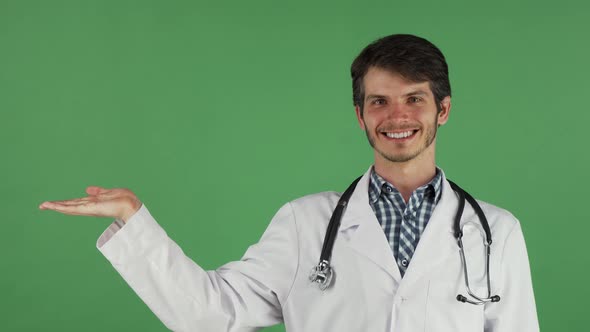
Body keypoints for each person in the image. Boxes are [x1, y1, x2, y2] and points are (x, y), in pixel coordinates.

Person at [39, 33, 539, 331]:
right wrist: (133, 221)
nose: (396, 116)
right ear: (360, 116)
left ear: (443, 110)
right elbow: (212, 316)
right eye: (378, 101)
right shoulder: (305, 224)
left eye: (414, 99)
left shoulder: (497, 232)